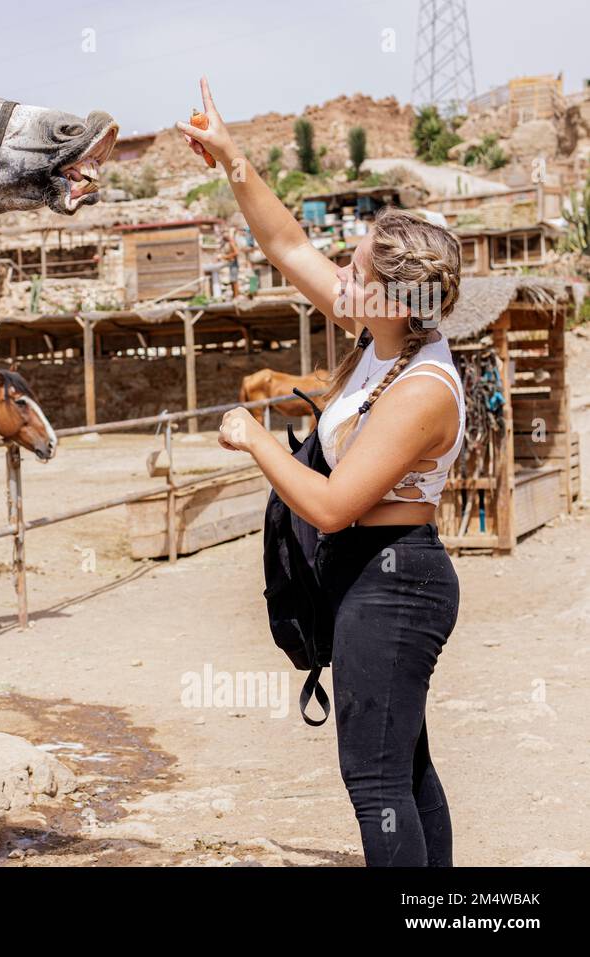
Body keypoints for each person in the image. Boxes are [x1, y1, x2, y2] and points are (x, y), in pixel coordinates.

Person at [178, 79, 465, 867]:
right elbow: (285, 245)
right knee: (403, 769)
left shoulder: (420, 387)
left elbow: (335, 505)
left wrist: (258, 439)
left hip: (394, 580)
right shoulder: (385, 338)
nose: (342, 266)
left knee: (375, 781)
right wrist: (233, 157)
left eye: (357, 262)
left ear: (392, 291)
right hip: (374, 576)